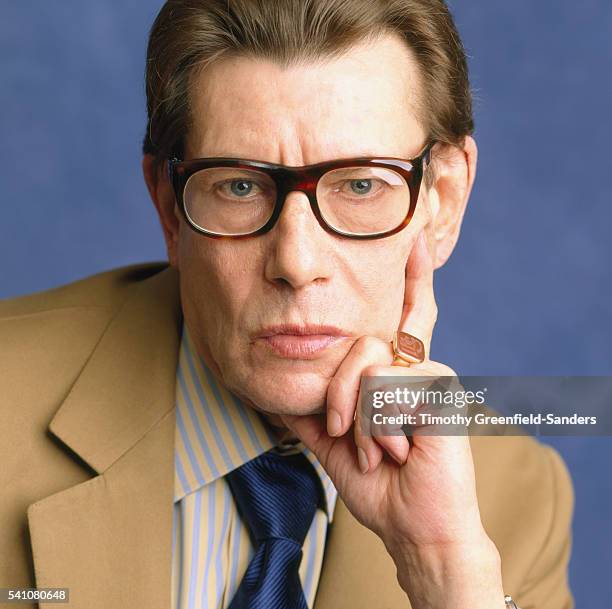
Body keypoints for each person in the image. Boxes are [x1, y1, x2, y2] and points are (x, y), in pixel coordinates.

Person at [0, 1, 574, 608]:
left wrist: (443, 570)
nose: (296, 265)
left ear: (445, 202)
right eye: (240, 186)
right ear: (170, 208)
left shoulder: (515, 503)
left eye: (360, 184)